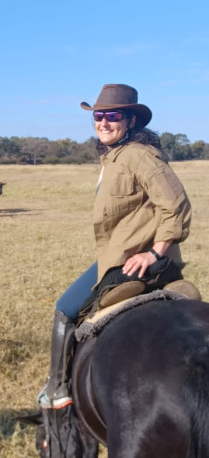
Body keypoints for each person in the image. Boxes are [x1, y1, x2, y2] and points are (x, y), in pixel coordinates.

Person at [37, 83, 192, 409]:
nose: (103, 122)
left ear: (131, 121)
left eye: (112, 115)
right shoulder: (114, 157)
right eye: (98, 116)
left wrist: (154, 252)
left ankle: (57, 386)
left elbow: (175, 204)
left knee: (65, 310)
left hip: (134, 260)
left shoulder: (138, 155)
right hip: (122, 253)